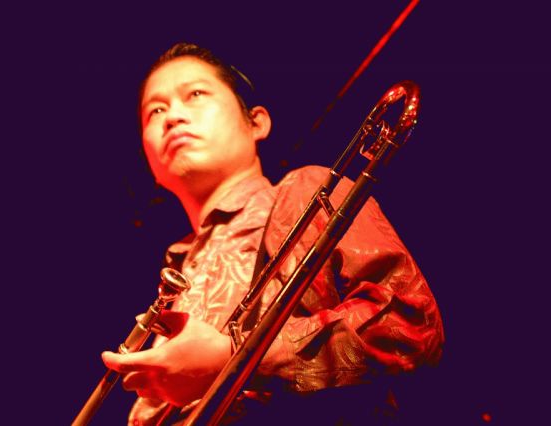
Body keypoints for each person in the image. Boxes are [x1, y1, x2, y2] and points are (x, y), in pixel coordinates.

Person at [101, 43, 444, 425]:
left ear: (257, 123)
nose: (173, 117)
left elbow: (410, 327)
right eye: (155, 111)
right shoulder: (177, 270)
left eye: (195, 94)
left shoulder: (307, 191)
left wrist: (232, 359)